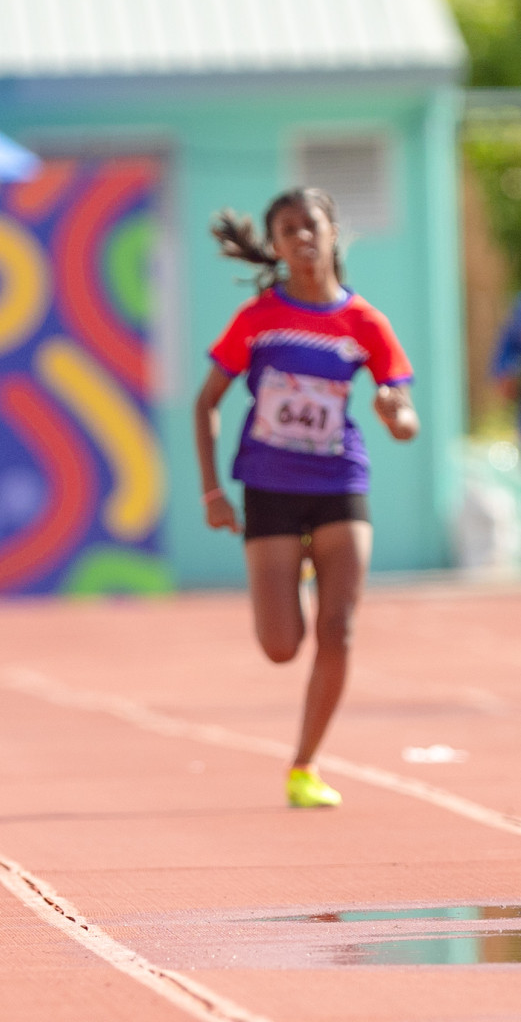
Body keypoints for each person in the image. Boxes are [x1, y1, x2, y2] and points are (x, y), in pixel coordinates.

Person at [193, 187, 418, 808]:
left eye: (310, 225)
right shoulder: (260, 319)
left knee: (338, 630)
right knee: (280, 647)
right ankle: (296, 566)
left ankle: (305, 766)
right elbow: (205, 402)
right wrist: (213, 490)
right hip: (268, 486)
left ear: (333, 230)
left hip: (338, 483)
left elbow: (405, 421)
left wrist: (394, 412)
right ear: (276, 245)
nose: (301, 238)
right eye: (287, 230)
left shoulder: (364, 323)